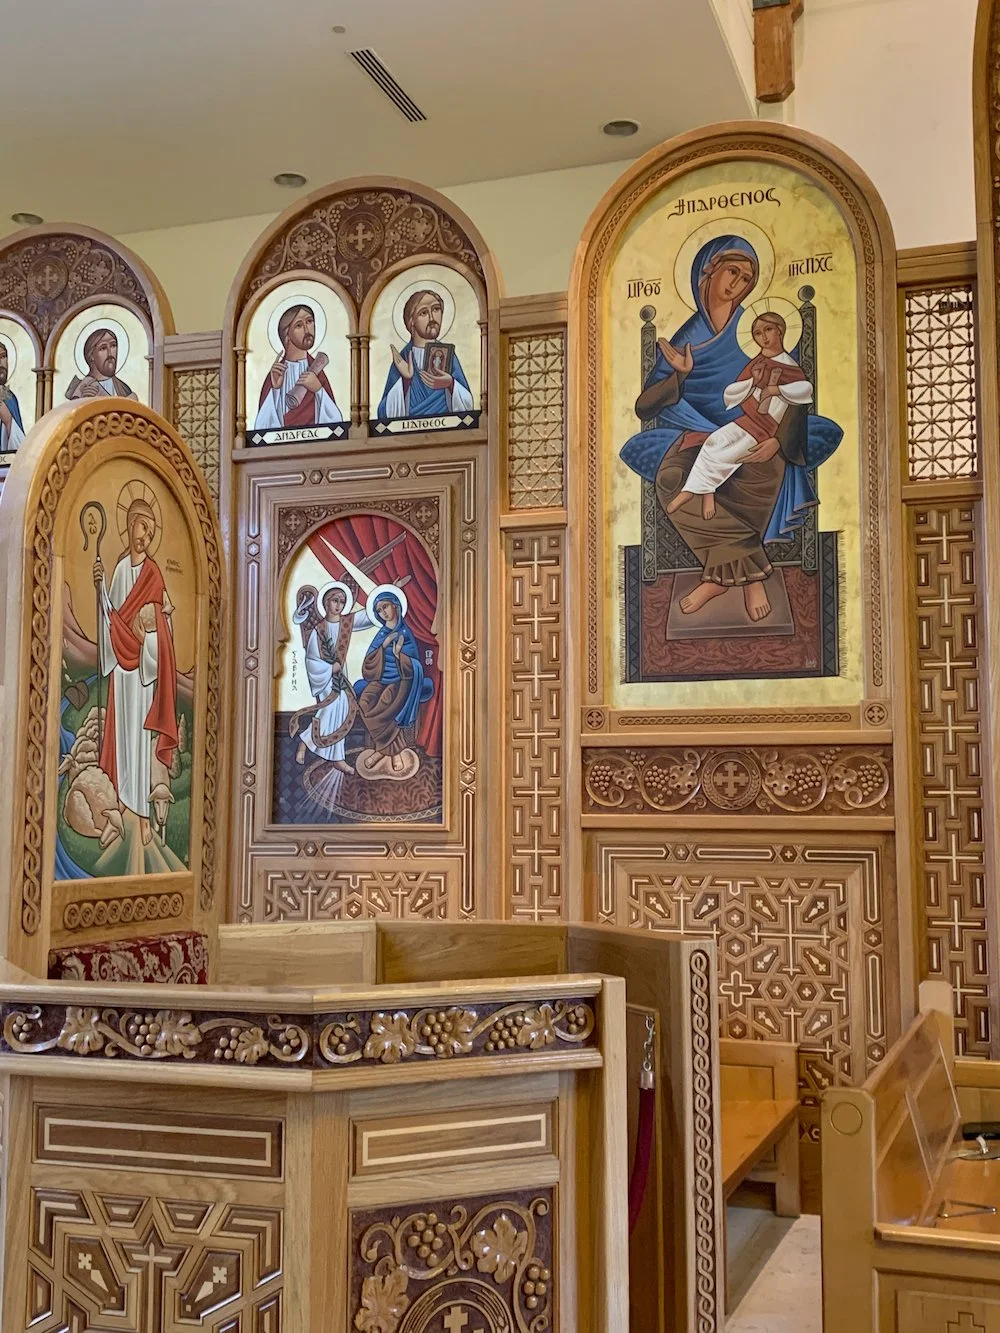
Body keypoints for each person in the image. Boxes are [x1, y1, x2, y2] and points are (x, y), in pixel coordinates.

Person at [620, 235, 842, 624]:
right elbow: (645, 407)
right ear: (708, 272)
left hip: (761, 432)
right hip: (698, 433)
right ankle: (751, 575)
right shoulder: (686, 339)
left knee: (762, 471)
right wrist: (679, 375)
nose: (737, 285)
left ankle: (718, 579)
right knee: (671, 480)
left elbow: (793, 391)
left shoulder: (756, 327)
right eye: (732, 272)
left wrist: (777, 442)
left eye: (746, 279)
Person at [666, 312, 814, 521]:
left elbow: (804, 391)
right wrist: (753, 381)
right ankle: (698, 490)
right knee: (713, 441)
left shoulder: (791, 367)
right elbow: (731, 393)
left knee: (733, 452)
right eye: (757, 333)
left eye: (768, 330)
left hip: (768, 428)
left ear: (780, 331)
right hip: (750, 421)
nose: (763, 337)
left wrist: (777, 390)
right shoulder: (757, 364)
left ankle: (701, 490)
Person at [93, 496, 179, 847]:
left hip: (144, 669)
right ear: (129, 528)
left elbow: (165, 625)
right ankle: (119, 808)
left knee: (140, 739)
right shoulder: (118, 570)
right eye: (141, 528)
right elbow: (110, 615)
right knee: (120, 735)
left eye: (150, 532)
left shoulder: (153, 573)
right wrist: (100, 587)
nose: (144, 536)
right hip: (122, 668)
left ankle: (143, 815)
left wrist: (150, 629)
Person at [292, 582, 374, 773]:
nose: (339, 605)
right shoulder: (318, 630)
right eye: (335, 601)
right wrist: (329, 669)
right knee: (330, 708)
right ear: (326, 603)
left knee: (342, 709)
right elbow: (311, 659)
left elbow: (368, 616)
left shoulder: (346, 623)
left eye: (342, 601)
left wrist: (382, 598)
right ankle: (307, 743)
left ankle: (333, 756)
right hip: (326, 678)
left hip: (340, 676)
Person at [356, 588, 431, 777]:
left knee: (387, 702)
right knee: (365, 703)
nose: (383, 613)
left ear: (395, 606)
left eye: (385, 607)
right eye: (379, 610)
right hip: (380, 680)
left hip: (401, 681)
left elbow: (415, 664)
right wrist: (383, 645)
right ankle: (390, 751)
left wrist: (399, 655)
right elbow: (368, 665)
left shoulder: (406, 633)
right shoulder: (381, 634)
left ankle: (386, 753)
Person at [377, 289, 474, 421]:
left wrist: (450, 384)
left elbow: (468, 407)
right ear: (411, 321)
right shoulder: (403, 359)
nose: (432, 318)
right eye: (423, 313)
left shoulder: (449, 356)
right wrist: (405, 381)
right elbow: (383, 414)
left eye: (436, 309)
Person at [256, 302, 342, 429]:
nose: (307, 330)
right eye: (299, 325)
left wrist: (318, 390)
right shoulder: (276, 375)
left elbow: (336, 424)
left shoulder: (317, 372)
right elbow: (262, 428)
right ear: (287, 334)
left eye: (309, 321)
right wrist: (275, 390)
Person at [66, 328, 137, 400]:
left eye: (113, 345)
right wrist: (84, 401)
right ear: (91, 355)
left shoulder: (124, 389)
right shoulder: (85, 387)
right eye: (103, 348)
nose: (110, 353)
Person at [0, 342, 25, 452]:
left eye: (3, 356)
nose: (1, 363)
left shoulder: (8, 397)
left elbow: (20, 448)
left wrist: (9, 421)